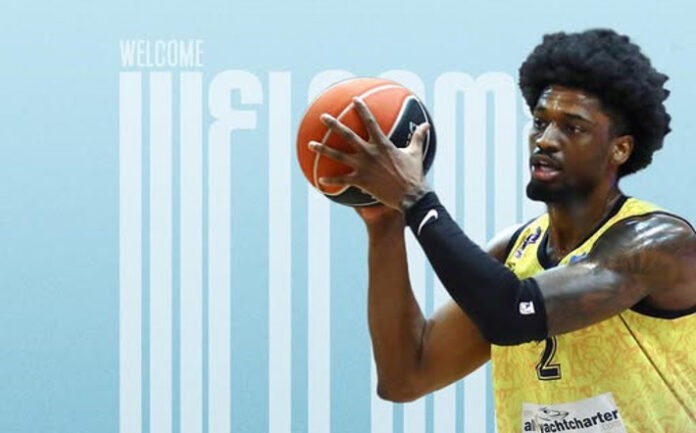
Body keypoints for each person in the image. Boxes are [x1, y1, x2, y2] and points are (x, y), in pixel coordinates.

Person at [307, 29, 696, 432]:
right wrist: (384, 221)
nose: (545, 140)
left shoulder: (660, 244)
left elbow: (513, 314)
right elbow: (406, 376)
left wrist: (415, 199)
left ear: (620, 148)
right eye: (540, 122)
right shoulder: (514, 252)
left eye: (573, 127)